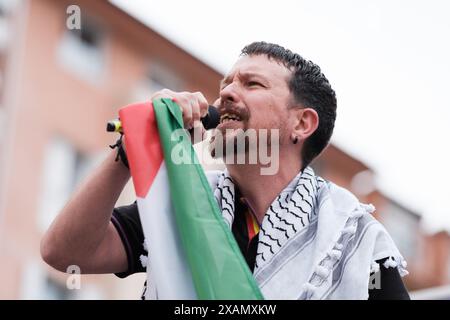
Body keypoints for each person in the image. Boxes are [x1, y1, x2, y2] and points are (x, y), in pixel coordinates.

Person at [41, 41, 409, 300]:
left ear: (302, 124)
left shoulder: (353, 238)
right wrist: (133, 147)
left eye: (252, 84)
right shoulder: (184, 207)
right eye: (226, 84)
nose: (226, 94)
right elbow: (64, 252)